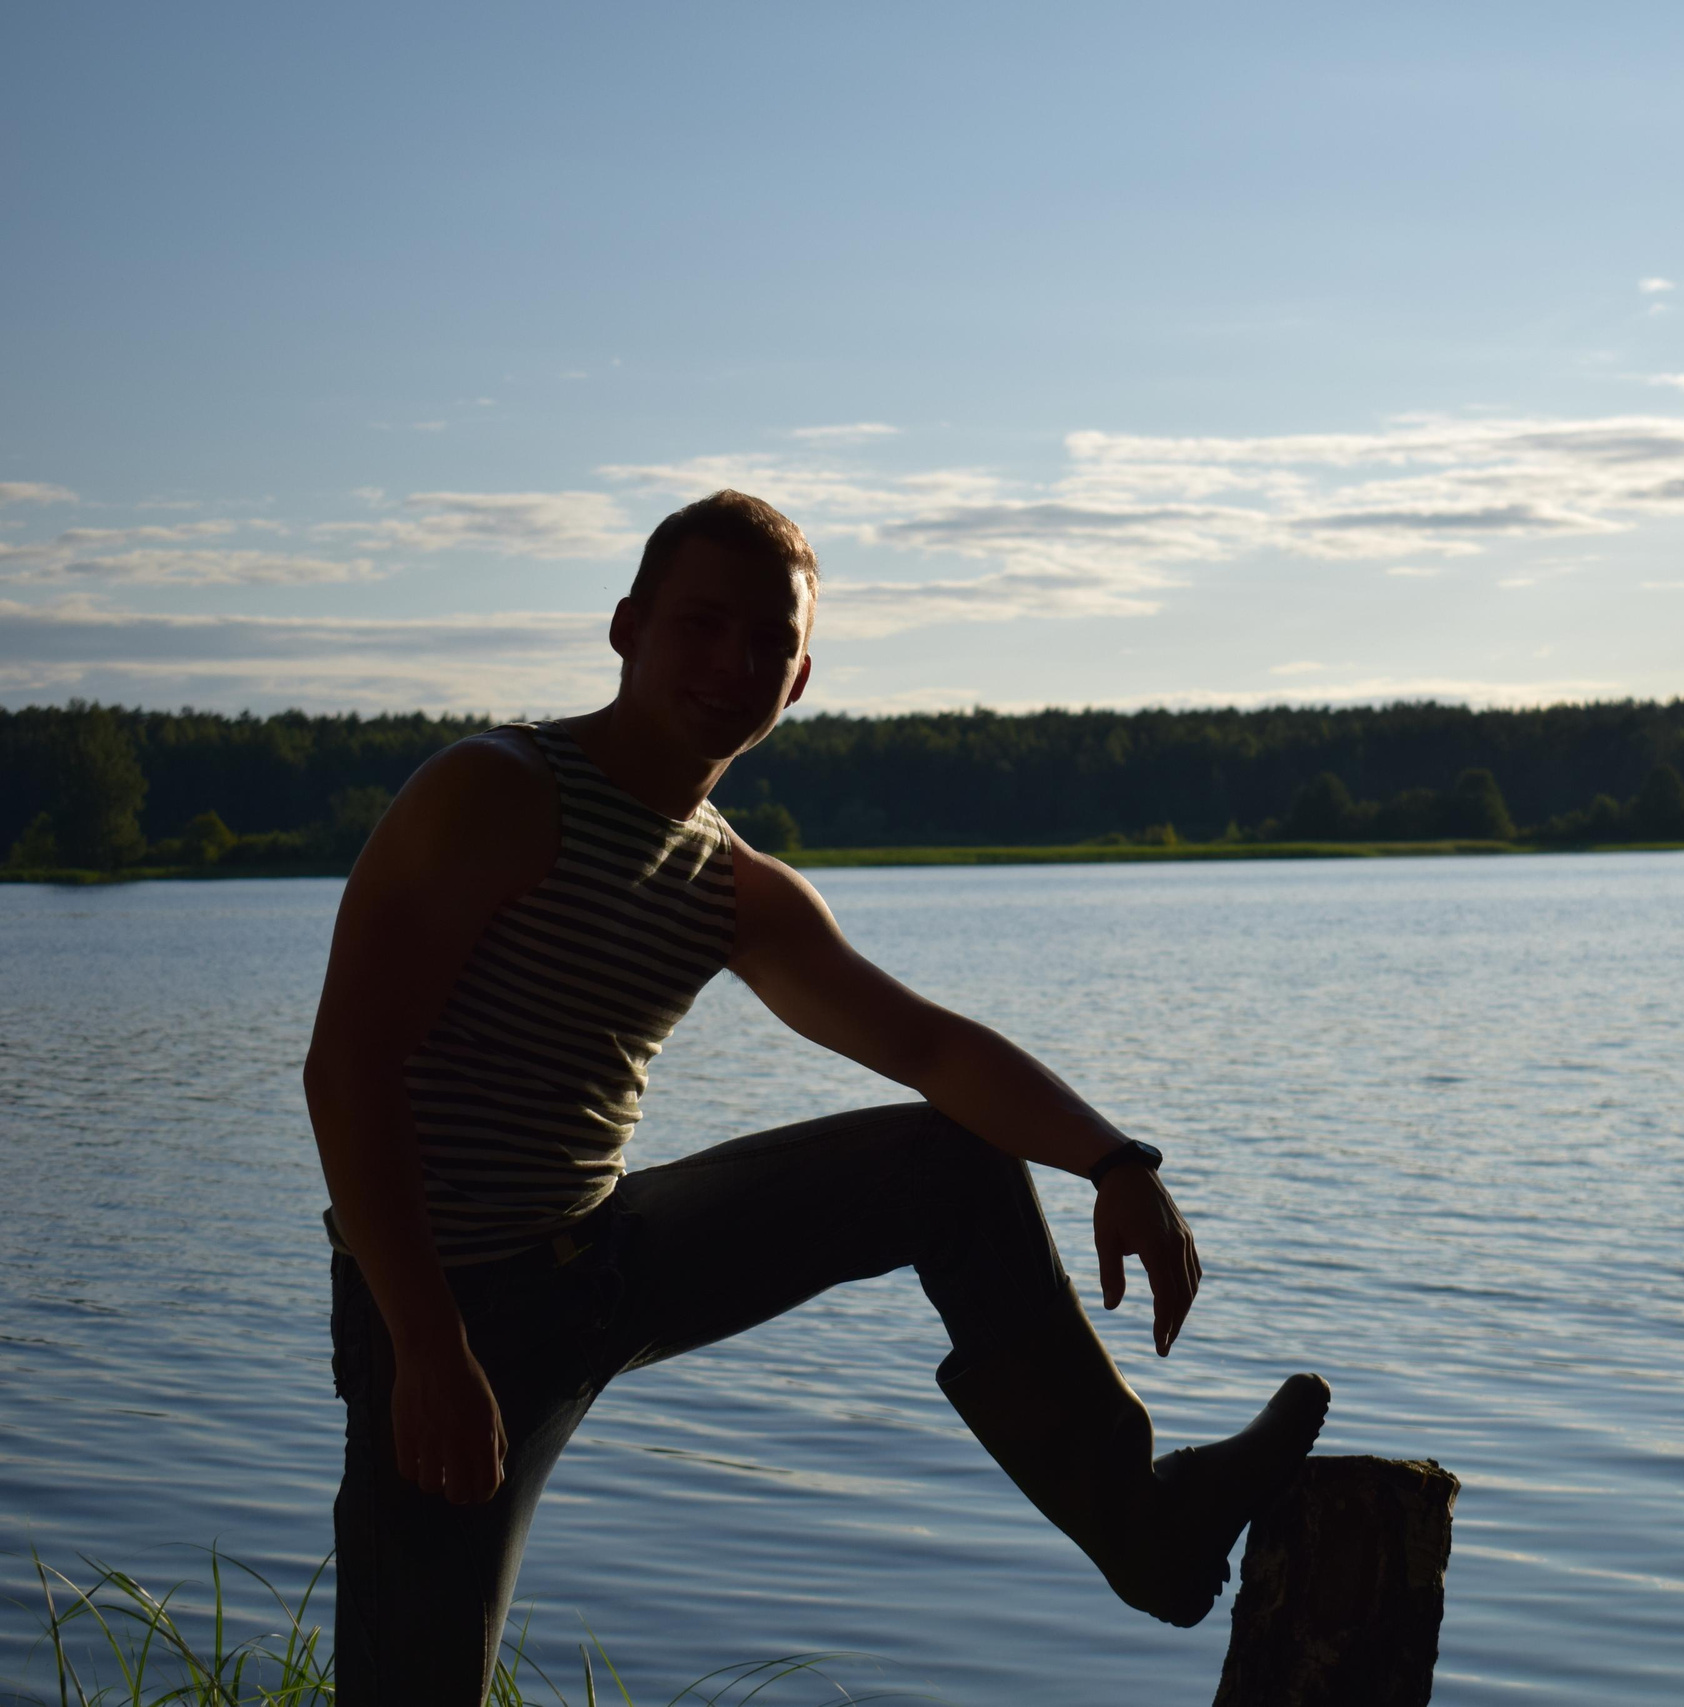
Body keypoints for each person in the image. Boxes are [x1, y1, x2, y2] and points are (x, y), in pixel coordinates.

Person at [303, 489, 1329, 1705]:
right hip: (443, 1306)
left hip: (600, 1261)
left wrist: (1118, 1164)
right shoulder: (494, 792)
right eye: (701, 624)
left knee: (948, 1166)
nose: (732, 663)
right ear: (626, 627)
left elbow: (933, 1050)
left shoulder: (733, 886)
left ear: (797, 682)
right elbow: (348, 1070)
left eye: (768, 642)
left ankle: (1150, 1528)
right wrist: (423, 1343)